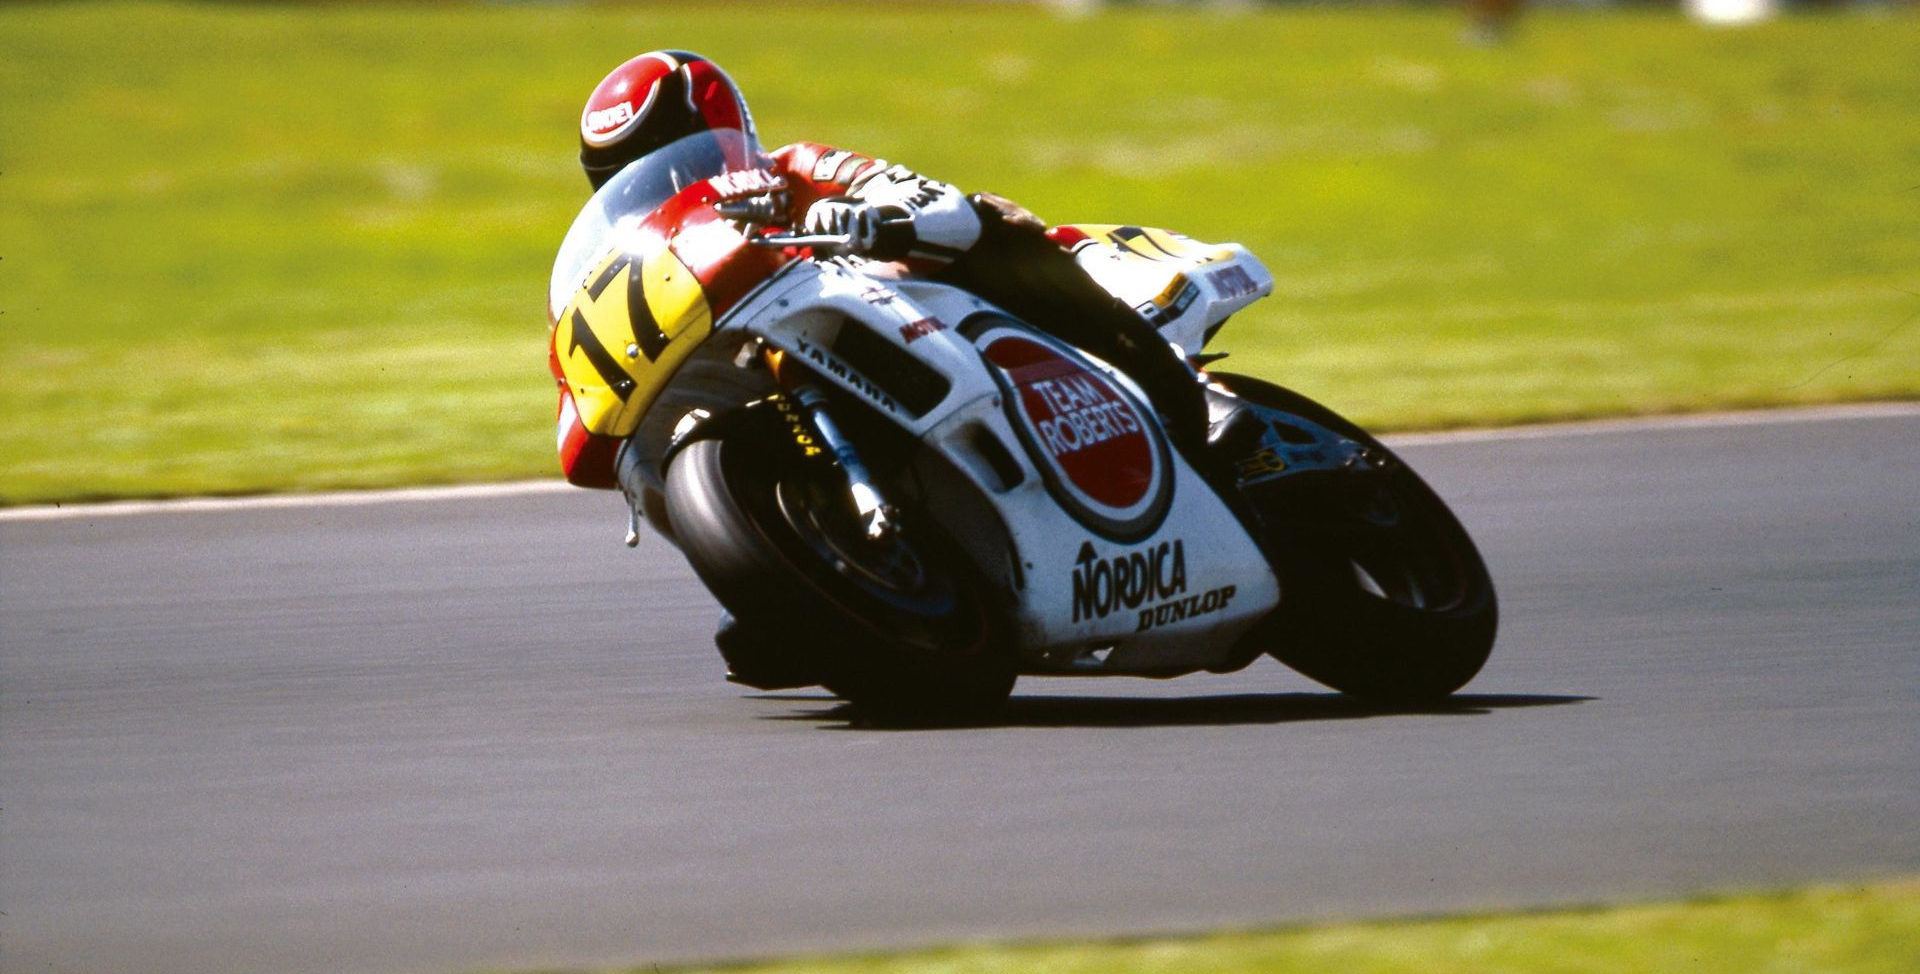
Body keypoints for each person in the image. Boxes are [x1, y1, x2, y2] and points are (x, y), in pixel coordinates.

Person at [574, 51, 1209, 451]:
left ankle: (1170, 392)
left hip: (936, 323)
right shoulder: (649, 268)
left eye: (676, 155)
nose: (666, 184)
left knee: (989, 219)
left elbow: (938, 203)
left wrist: (872, 217)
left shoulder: (796, 168)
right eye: (628, 176)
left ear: (723, 133)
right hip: (833, 384)